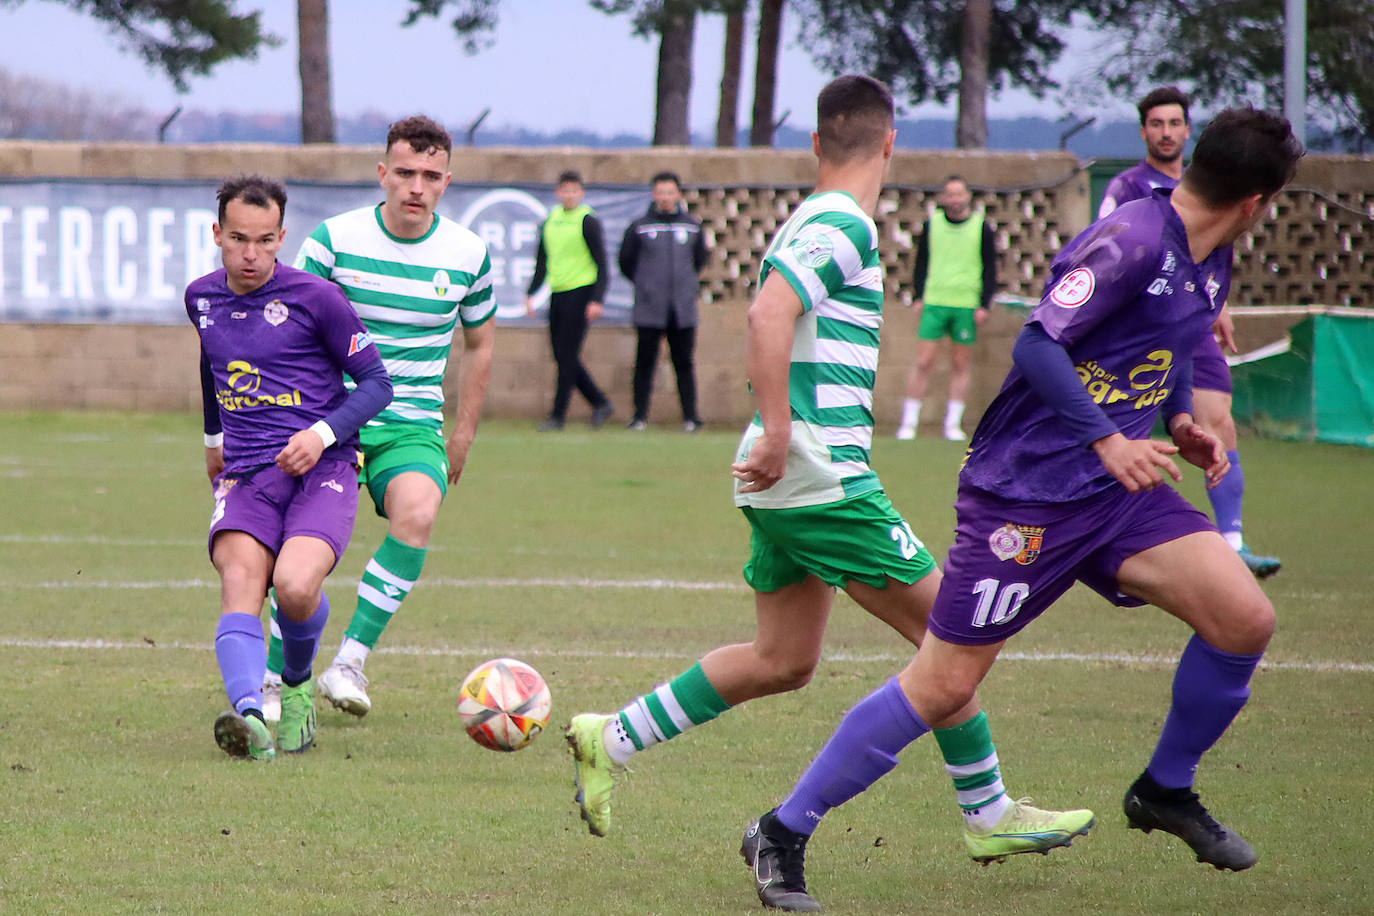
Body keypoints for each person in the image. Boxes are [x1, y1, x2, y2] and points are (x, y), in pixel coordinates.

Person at [743, 107, 1303, 908]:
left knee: (1244, 618)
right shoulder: (1131, 240)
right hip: (1028, 493)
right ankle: (783, 828)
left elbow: (1170, 340)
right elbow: (1039, 342)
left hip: (1118, 495)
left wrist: (1178, 420)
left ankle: (1164, 790)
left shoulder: (1213, 258)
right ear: (1257, 199)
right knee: (942, 685)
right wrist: (1109, 440)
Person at [565, 75, 1091, 910]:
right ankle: (985, 809)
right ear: (890, 146)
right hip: (816, 474)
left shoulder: (815, 219)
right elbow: (768, 316)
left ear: (816, 144)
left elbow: (775, 315)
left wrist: (775, 438)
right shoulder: (842, 223)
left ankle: (613, 736)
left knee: (784, 660)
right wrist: (779, 431)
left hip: (787, 476)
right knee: (954, 635)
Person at [259, 115, 497, 721]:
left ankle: (349, 663)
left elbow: (481, 344)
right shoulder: (334, 241)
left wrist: (463, 430)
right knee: (297, 567)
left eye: (431, 175)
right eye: (406, 173)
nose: (417, 186)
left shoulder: (469, 254)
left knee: (418, 510)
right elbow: (288, 328)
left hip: (411, 423)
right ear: (383, 174)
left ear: (447, 181)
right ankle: (275, 679)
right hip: (327, 422)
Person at [191, 175, 392, 759]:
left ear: (282, 238)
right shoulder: (200, 298)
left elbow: (378, 384)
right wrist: (212, 439)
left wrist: (322, 432)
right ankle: (251, 716)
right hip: (248, 473)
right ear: (217, 235)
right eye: (237, 239)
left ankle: (297, 688)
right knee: (241, 583)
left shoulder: (317, 299)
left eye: (263, 240)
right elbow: (212, 365)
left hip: (323, 468)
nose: (249, 254)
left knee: (296, 588)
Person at [1100, 87, 1281, 579]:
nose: (1165, 132)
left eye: (1174, 123)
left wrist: (1215, 305)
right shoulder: (1128, 188)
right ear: (1144, 131)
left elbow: (1215, 255)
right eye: (1156, 124)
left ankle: (1232, 541)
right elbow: (1107, 256)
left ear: (1187, 130)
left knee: (1217, 422)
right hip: (1139, 328)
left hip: (1191, 322)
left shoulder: (1213, 189)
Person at [895, 175, 997, 441]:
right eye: (950, 194)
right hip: (935, 301)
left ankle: (952, 424)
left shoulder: (981, 227)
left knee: (960, 364)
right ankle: (909, 422)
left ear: (967, 196)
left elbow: (990, 268)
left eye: (959, 194)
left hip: (965, 303)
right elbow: (921, 262)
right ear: (944, 198)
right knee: (923, 361)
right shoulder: (933, 225)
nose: (955, 199)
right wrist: (918, 296)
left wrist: (984, 303)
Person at [619, 170, 709, 431]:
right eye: (661, 192)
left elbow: (699, 260)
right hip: (649, 308)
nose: (665, 197)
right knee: (645, 364)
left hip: (682, 308)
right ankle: (639, 417)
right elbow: (626, 262)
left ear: (678, 194)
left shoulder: (691, 226)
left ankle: (691, 417)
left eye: (670, 192)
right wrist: (647, 285)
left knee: (684, 363)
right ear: (653, 195)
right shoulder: (639, 227)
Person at [525, 169, 614, 431]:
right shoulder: (550, 219)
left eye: (574, 191)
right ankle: (600, 402)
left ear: (581, 193)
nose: (570, 195)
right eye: (565, 190)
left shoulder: (587, 220)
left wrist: (597, 299)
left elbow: (602, 264)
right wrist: (532, 293)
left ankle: (557, 416)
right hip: (558, 293)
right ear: (558, 193)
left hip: (582, 291)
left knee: (567, 355)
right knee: (561, 355)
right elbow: (542, 261)